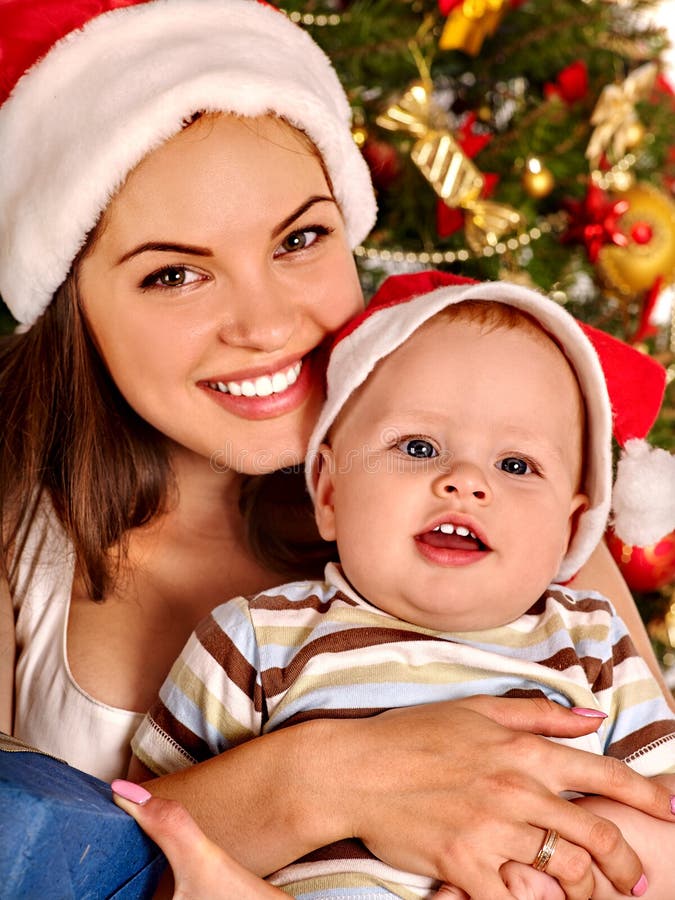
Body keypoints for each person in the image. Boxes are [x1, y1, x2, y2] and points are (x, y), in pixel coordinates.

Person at [0, 1, 674, 897]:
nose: (267, 324)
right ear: (69, 302)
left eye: (301, 238)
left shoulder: (521, 525)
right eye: (174, 273)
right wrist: (325, 776)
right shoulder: (19, 546)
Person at [131, 270, 675, 899]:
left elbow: (663, 817)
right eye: (418, 447)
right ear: (330, 493)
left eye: (516, 465)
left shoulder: (594, 645)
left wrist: (561, 863)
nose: (466, 481)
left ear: (571, 525)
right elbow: (134, 842)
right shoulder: (255, 639)